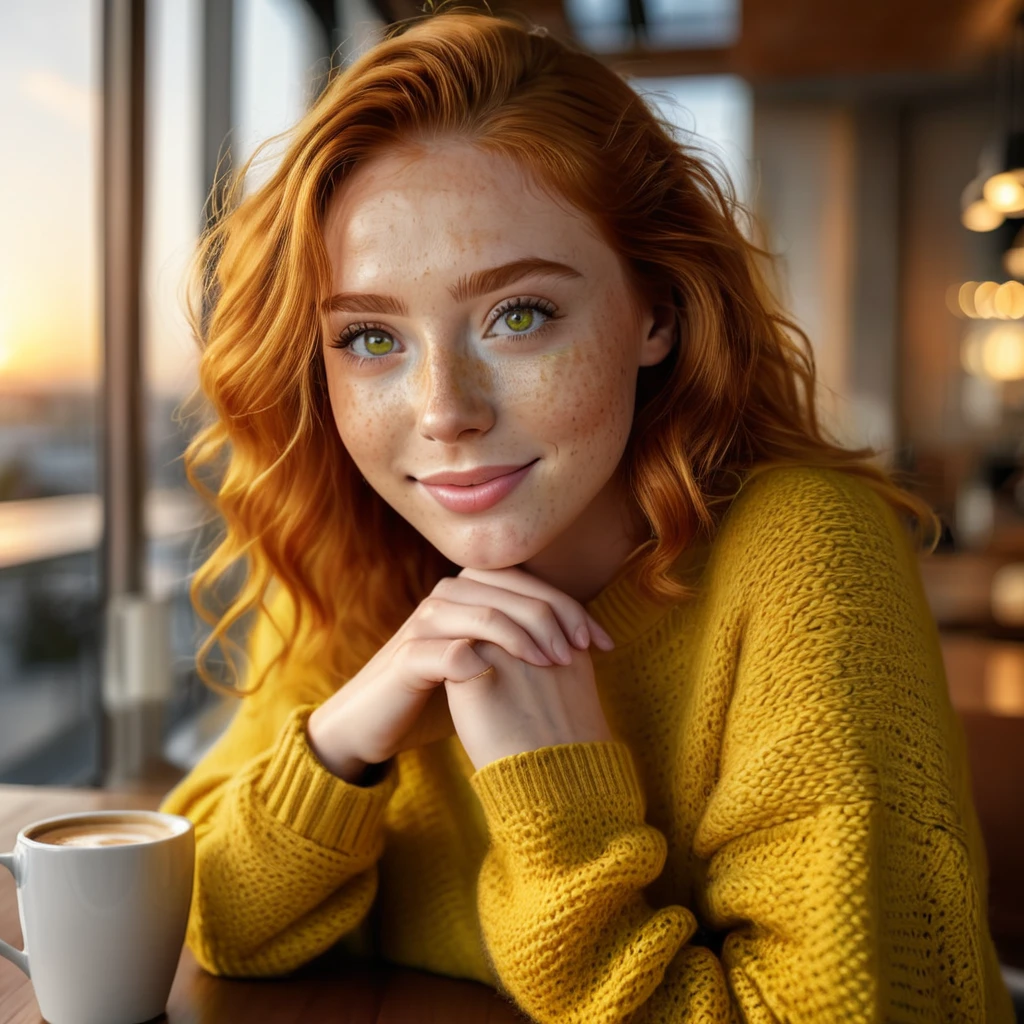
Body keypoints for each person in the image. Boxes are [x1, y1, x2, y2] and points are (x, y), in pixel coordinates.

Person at [158, 6, 1015, 1021]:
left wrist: (557, 801)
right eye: (369, 339)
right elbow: (203, 911)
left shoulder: (804, 551)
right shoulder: (360, 545)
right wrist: (350, 732)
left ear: (655, 309)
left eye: (518, 315)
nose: (444, 413)